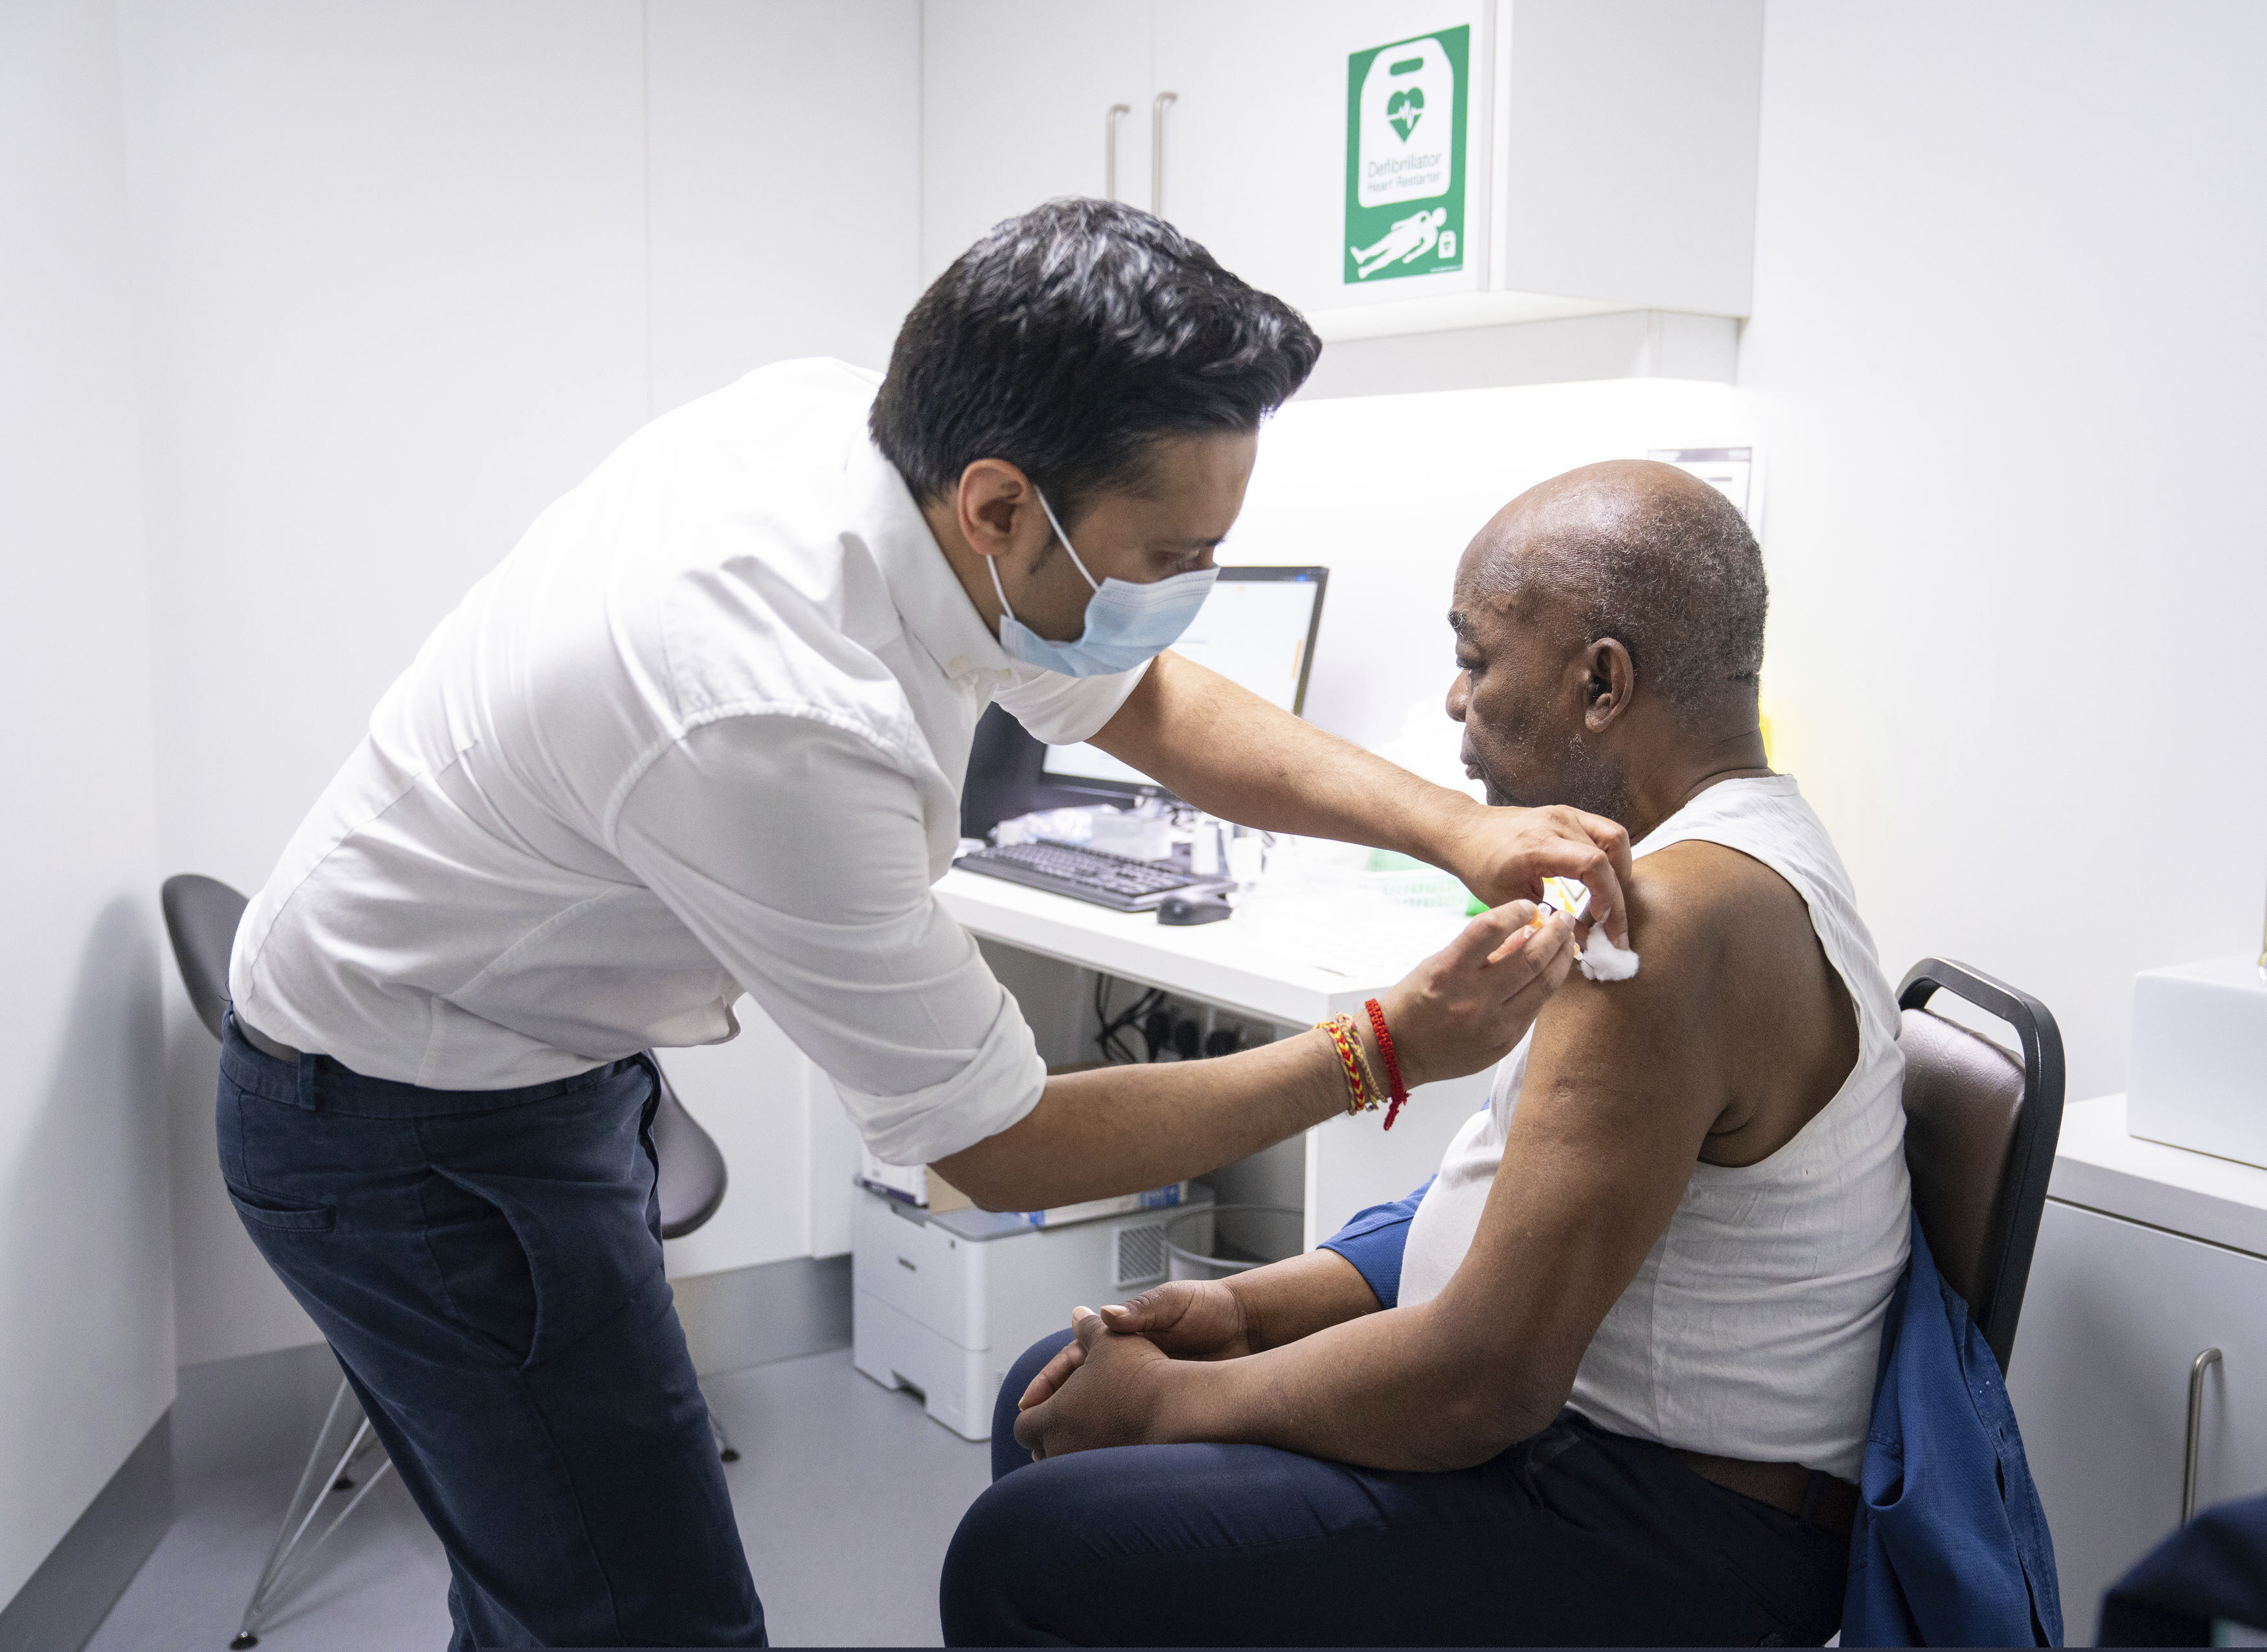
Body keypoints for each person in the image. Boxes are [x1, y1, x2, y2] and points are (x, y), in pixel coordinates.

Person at [216, 199, 1630, 1649]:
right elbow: (989, 1141)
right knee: (641, 1619)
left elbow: (1129, 691)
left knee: (544, 1575)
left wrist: (1448, 827)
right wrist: (1378, 1048)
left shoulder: (865, 435)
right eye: (1167, 558)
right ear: (1000, 505)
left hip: (511, 1047)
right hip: (407, 1122)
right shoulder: (765, 707)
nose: (1187, 596)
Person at [944, 458, 1915, 1648]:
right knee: (1053, 1381)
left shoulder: (1675, 925)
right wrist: (1245, 1309)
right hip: (1590, 1450)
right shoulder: (1715, 855)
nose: (1454, 702)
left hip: (1657, 1522)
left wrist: (1176, 1403)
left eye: (1474, 658)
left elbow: (1481, 1381)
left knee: (1026, 1548)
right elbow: (1499, 1195)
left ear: (1600, 681)